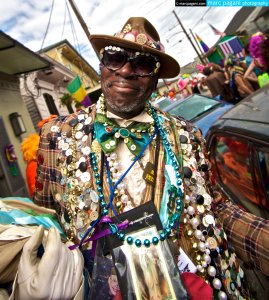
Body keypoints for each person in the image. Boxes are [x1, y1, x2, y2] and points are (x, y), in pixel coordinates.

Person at [8, 17, 268, 299]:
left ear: (156, 77)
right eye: (116, 57)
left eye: (143, 63)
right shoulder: (56, 137)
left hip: (201, 288)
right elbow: (48, 226)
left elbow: (216, 208)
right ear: (102, 66)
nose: (127, 70)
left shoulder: (187, 134)